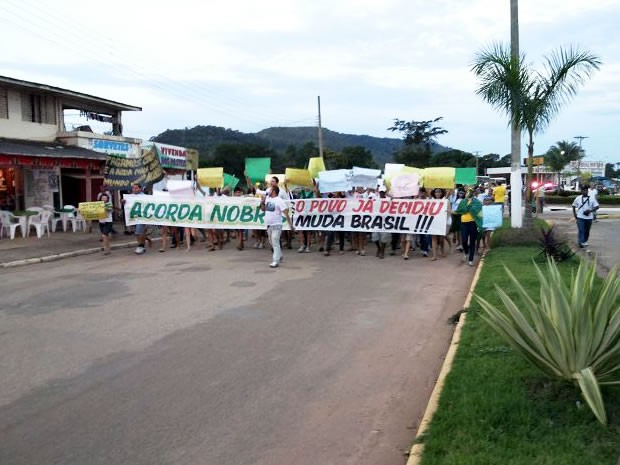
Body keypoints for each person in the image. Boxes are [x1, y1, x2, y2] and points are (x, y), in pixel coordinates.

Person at [262, 186, 295, 268]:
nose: (268, 191)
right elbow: (263, 209)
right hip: (269, 225)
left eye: (270, 190)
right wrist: (262, 201)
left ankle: (275, 261)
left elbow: (286, 212)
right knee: (272, 242)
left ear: (274, 191)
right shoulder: (268, 199)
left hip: (277, 224)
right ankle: (279, 255)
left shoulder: (279, 200)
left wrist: (290, 225)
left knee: (275, 241)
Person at [455, 188, 483, 266]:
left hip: (473, 223)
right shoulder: (462, 202)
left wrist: (469, 209)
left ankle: (471, 259)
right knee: (464, 241)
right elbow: (458, 211)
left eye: (470, 191)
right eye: (467, 191)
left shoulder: (477, 202)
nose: (468, 193)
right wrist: (449, 210)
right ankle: (466, 252)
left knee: (472, 242)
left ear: (473, 193)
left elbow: (479, 212)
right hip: (464, 223)